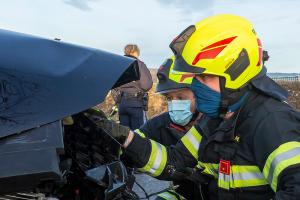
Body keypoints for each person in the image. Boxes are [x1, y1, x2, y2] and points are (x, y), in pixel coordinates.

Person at [100, 14, 300, 200]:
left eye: (204, 76)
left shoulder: (272, 122)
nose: (196, 86)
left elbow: (295, 188)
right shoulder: (214, 118)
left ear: (236, 73)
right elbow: (175, 160)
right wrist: (124, 137)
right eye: (195, 77)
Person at [133, 56, 202, 199]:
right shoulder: (162, 124)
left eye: (181, 98)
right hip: (183, 194)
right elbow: (135, 139)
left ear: (200, 95)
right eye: (169, 98)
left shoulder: (216, 125)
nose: (175, 104)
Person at [113, 44, 153, 130]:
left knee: (124, 134)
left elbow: (114, 84)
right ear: (135, 52)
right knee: (138, 133)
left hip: (122, 104)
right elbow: (147, 85)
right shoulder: (139, 64)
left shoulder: (118, 64)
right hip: (135, 104)